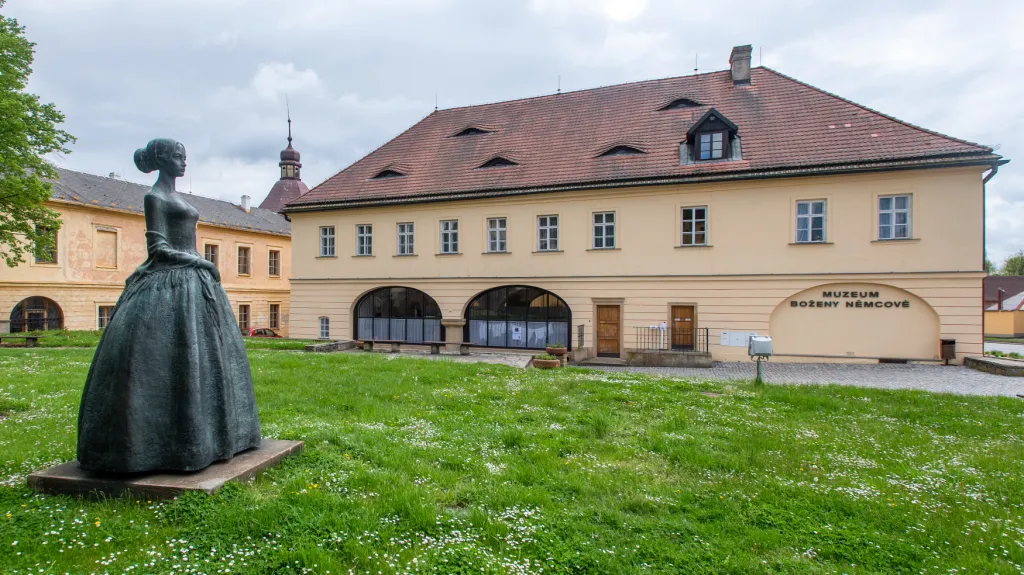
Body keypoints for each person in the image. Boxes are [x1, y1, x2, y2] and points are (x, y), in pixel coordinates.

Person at [77, 138, 261, 473]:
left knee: (208, 358)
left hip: (196, 280)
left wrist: (199, 264)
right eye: (178, 157)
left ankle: (218, 436)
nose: (183, 162)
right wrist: (202, 263)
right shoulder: (155, 197)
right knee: (172, 357)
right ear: (162, 160)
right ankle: (162, 443)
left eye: (185, 156)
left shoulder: (175, 196)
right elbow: (158, 248)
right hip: (174, 278)